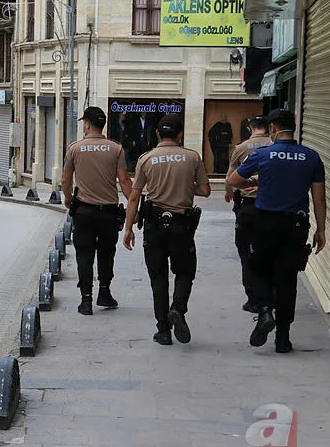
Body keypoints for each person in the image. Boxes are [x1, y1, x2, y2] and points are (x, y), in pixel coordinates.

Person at [227, 109, 326, 354]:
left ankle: (264, 310)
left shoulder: (263, 155)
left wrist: (255, 182)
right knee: (287, 278)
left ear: (272, 128)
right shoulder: (311, 157)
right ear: (295, 127)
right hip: (296, 225)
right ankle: (283, 338)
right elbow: (319, 198)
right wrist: (321, 229)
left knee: (258, 267)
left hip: (266, 222)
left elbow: (233, 180)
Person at [123, 114, 211, 345]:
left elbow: (134, 197)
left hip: (154, 225)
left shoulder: (146, 158)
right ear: (180, 134)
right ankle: (178, 309)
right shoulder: (192, 157)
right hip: (182, 226)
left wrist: (128, 228)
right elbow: (205, 190)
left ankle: (163, 331)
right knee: (185, 272)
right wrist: (185, 185)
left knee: (158, 277)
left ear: (157, 133)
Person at [62, 106, 133, 316]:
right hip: (108, 213)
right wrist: (133, 205)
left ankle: (86, 300)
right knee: (106, 253)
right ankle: (104, 292)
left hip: (83, 211)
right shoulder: (116, 148)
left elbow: (66, 179)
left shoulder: (75, 148)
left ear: (87, 125)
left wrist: (68, 198)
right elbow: (124, 180)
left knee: (84, 254)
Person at [225, 115, 271, 313]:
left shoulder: (241, 148)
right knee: (269, 251)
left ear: (250, 128)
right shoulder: (274, 146)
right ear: (268, 128)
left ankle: (252, 298)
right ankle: (269, 296)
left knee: (246, 252)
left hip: (247, 207)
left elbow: (230, 176)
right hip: (270, 207)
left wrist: (228, 192)